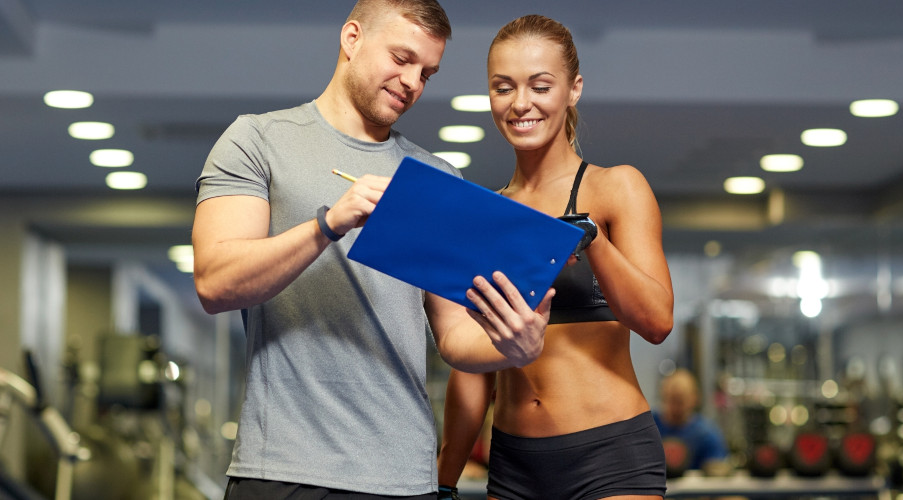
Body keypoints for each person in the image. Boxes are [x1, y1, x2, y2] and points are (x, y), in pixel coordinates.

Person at [192, 2, 557, 498]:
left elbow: (452, 336)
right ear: (351, 38)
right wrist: (328, 224)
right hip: (284, 467)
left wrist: (513, 347)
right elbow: (216, 283)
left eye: (426, 72)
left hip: (403, 476)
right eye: (401, 58)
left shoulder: (436, 180)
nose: (412, 82)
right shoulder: (257, 141)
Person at [437, 14, 675, 500]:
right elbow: (472, 369)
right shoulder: (487, 213)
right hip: (514, 467)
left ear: (573, 89)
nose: (520, 103)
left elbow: (656, 322)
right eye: (503, 87)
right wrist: (444, 479)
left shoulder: (615, 188)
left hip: (611, 456)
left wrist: (593, 242)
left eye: (539, 86)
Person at [653, 369, 730, 475]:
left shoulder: (706, 434)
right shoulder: (647, 427)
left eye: (680, 400)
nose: (675, 406)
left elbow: (718, 469)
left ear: (695, 398)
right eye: (670, 398)